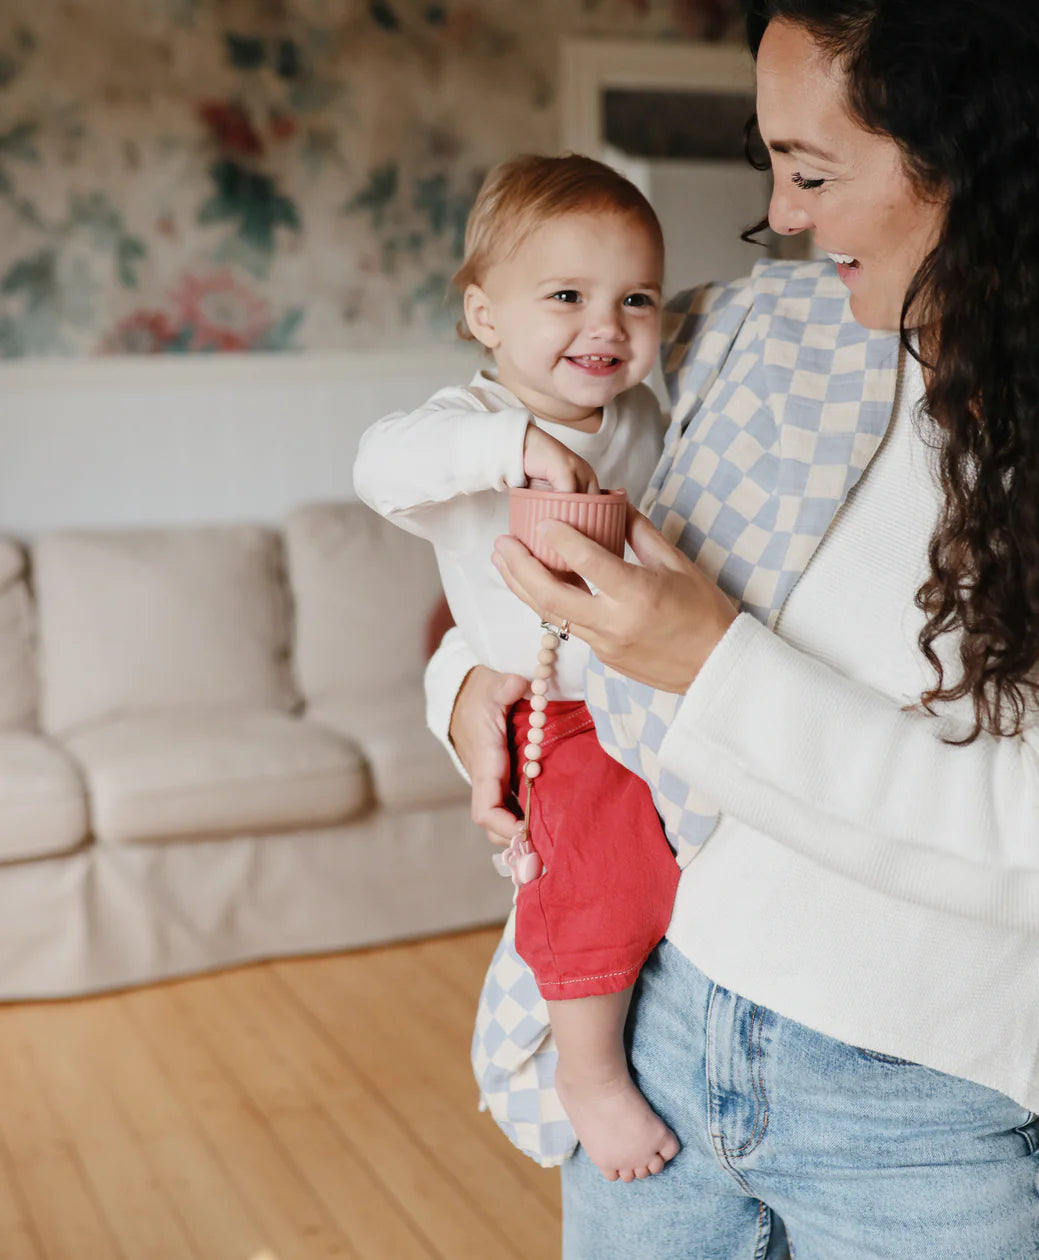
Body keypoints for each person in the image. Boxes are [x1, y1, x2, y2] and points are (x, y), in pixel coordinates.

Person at [424, 1, 1039, 1255]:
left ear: (986, 153)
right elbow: (503, 508)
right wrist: (464, 689)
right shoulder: (766, 334)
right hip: (658, 1029)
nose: (789, 216)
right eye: (777, 165)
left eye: (814, 170)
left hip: (919, 1121)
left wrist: (707, 661)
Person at [353, 154, 686, 1183]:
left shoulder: (642, 420)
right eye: (566, 297)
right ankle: (586, 1072)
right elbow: (379, 463)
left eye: (636, 298)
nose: (607, 325)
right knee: (590, 875)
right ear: (486, 315)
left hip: (656, 688)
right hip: (560, 714)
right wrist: (516, 446)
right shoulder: (463, 428)